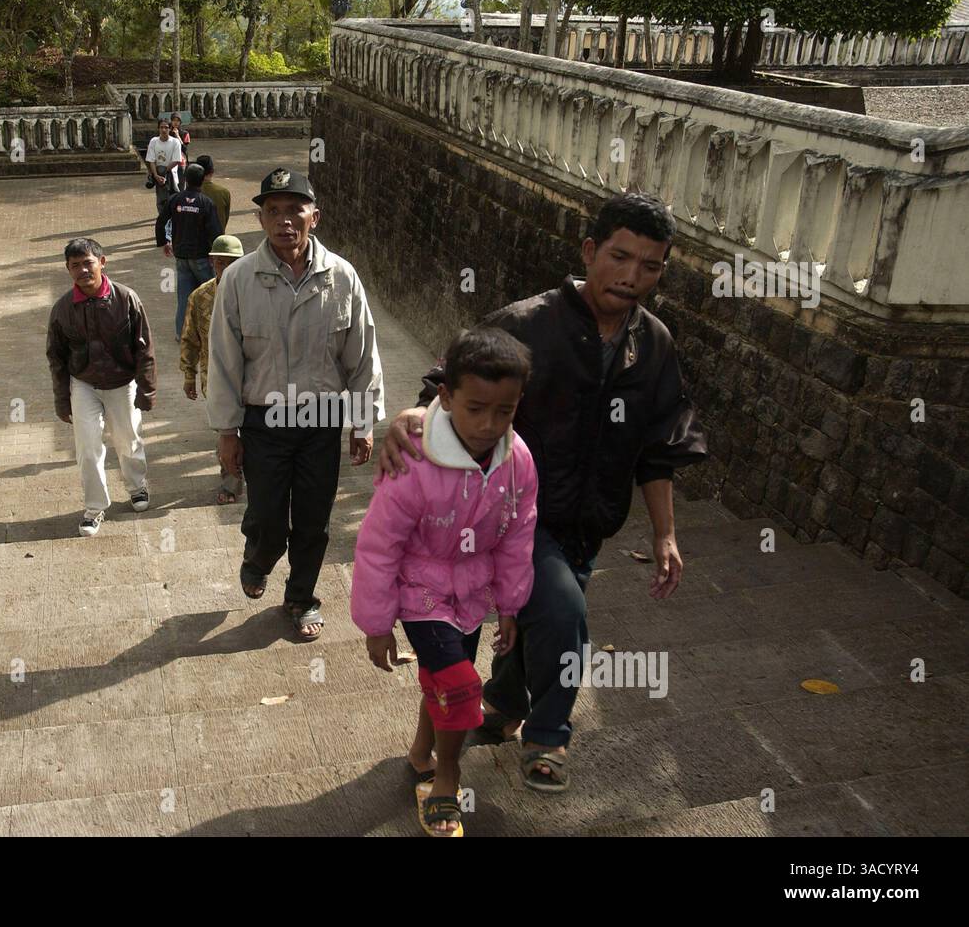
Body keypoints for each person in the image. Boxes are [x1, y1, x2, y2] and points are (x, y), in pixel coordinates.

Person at [378, 192, 708, 793]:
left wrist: (665, 533)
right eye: (620, 257)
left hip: (589, 521)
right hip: (505, 519)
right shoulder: (528, 323)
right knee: (558, 613)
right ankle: (547, 737)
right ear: (590, 251)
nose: (632, 277)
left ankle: (499, 709)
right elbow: (446, 381)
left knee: (524, 629)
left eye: (651, 266)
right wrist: (411, 413)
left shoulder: (652, 344)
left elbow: (659, 447)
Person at [353, 327, 538, 837]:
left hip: (473, 595)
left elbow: (517, 534)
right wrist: (376, 622)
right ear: (446, 396)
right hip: (420, 593)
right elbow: (377, 543)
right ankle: (447, 781)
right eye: (475, 408)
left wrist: (509, 602)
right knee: (460, 687)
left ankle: (419, 754)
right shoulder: (412, 457)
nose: (489, 424)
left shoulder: (517, 461)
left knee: (443, 681)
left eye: (505, 411)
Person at [207, 167, 385, 640]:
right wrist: (227, 432)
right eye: (273, 211)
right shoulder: (241, 279)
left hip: (321, 418)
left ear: (315, 216)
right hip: (264, 417)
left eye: (294, 210)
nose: (284, 220)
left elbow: (362, 354)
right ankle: (258, 557)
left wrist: (362, 422)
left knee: (313, 520)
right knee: (267, 518)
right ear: (262, 220)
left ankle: (301, 597)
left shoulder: (341, 277)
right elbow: (223, 361)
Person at [47, 238, 156, 535]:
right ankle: (94, 508)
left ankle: (136, 486)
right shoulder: (62, 309)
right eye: (75, 266)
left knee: (128, 438)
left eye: (88, 263)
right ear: (68, 270)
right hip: (83, 384)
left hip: (123, 382)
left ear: (102, 262)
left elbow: (144, 347)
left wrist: (147, 388)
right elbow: (55, 357)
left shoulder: (126, 299)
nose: (82, 270)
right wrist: (62, 399)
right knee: (87, 447)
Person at [180, 234, 245, 505]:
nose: (226, 269)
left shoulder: (257, 292)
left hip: (255, 379)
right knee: (227, 434)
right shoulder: (201, 297)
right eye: (221, 263)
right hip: (216, 380)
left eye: (232, 263)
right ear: (212, 263)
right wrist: (188, 375)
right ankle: (231, 484)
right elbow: (190, 338)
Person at [156, 162, 222, 343]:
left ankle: (182, 334)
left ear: (185, 180)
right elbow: (216, 231)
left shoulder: (175, 200)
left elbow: (161, 221)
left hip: (181, 257)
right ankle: (212, 334)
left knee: (184, 298)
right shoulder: (206, 203)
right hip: (202, 258)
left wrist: (164, 242)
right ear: (203, 181)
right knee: (210, 297)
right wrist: (216, 254)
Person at [144, 118, 183, 214]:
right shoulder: (154, 141)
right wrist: (156, 175)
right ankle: (162, 218)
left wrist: (164, 172)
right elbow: (151, 160)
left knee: (174, 196)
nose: (164, 130)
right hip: (158, 173)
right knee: (161, 198)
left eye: (166, 127)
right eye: (161, 127)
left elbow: (177, 160)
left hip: (171, 173)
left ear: (170, 129)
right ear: (158, 129)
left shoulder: (175, 142)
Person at [196, 154, 231, 234]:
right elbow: (225, 218)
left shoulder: (188, 194)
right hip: (217, 240)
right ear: (212, 171)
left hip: (196, 241)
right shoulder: (223, 192)